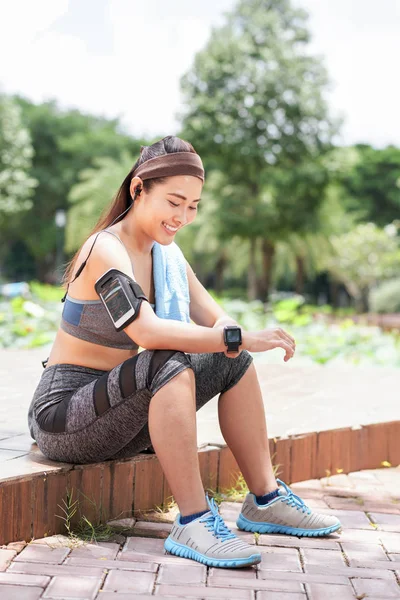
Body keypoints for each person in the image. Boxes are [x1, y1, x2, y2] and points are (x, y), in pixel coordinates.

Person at [28, 136, 341, 569]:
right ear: (139, 189)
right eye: (174, 202)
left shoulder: (167, 256)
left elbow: (218, 320)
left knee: (233, 360)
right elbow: (148, 331)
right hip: (65, 417)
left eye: (193, 206)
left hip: (121, 415)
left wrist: (242, 337)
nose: (183, 217)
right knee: (167, 360)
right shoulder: (105, 249)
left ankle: (266, 500)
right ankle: (193, 521)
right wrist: (235, 337)